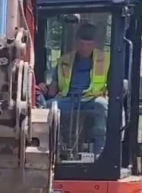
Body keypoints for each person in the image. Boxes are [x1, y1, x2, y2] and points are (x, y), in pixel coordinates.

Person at [38, 22, 111, 155]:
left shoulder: (105, 59)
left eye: (88, 44)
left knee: (103, 106)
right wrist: (44, 88)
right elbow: (54, 87)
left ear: (94, 44)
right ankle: (51, 150)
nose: (84, 48)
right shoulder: (64, 60)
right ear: (76, 43)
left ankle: (101, 152)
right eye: (81, 44)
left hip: (92, 99)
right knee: (45, 109)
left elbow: (114, 84)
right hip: (69, 100)